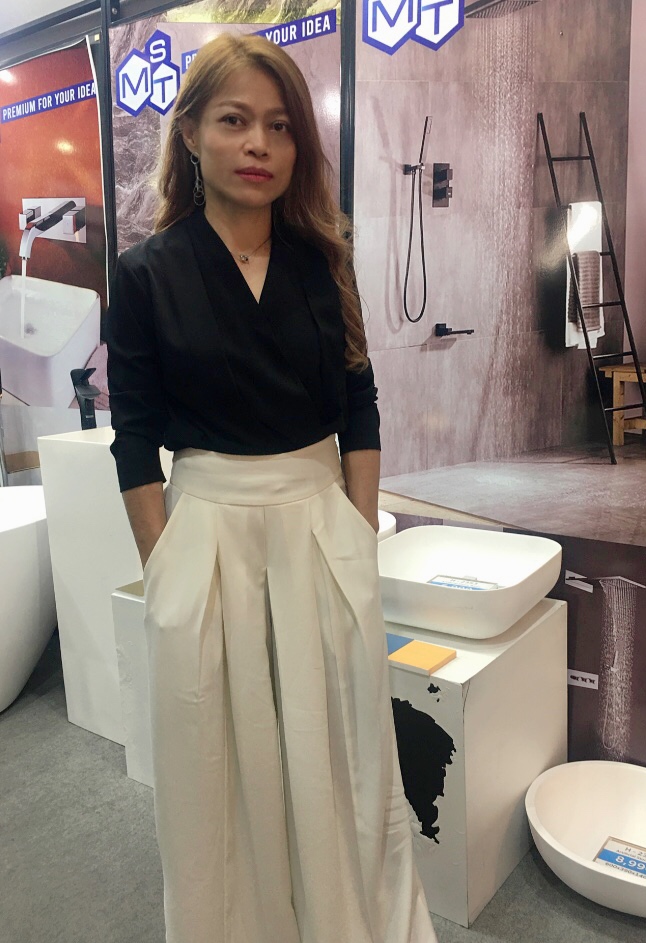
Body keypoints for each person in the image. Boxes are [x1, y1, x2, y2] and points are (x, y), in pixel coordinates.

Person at [106, 32, 438, 943]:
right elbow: (132, 436)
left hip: (319, 526)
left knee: (342, 752)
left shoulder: (323, 258)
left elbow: (360, 401)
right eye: (235, 121)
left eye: (280, 126)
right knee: (216, 765)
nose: (259, 144)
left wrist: (358, 535)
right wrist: (165, 566)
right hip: (205, 532)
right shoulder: (145, 274)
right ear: (191, 134)